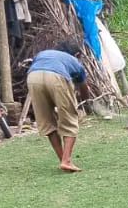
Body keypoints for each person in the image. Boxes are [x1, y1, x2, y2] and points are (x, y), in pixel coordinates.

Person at [27, 42, 90, 172]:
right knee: (69, 119)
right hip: (56, 77)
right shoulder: (74, 61)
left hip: (33, 77)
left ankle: (63, 159)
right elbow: (84, 86)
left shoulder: (43, 54)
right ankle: (66, 161)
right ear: (77, 54)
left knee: (47, 122)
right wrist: (86, 101)